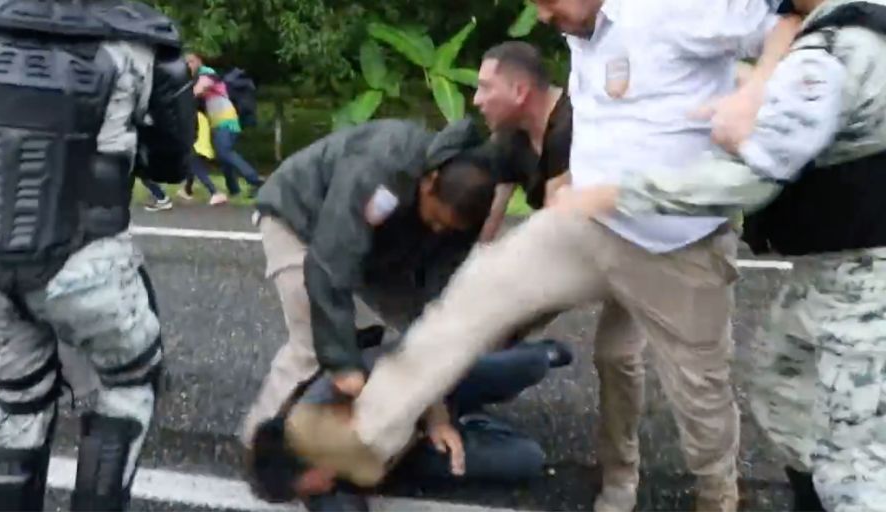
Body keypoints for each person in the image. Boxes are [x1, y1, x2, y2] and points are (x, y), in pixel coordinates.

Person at [274, 2, 802, 511]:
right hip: (586, 223)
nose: (544, 17)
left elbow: (793, 17)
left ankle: (718, 494)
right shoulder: (580, 32)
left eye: (547, 2)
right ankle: (364, 433)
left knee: (696, 394)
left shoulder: (677, 8)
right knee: (477, 289)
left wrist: (757, 87)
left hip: (675, 246)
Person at [553, 1, 886, 510]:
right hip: (826, 266)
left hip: (865, 275)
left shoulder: (836, 51)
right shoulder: (843, 31)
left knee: (855, 462)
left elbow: (747, 177)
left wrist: (614, 195)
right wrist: (759, 92)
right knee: (783, 392)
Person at [0, 0, 195, 510]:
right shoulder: (135, 45)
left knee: (20, 399)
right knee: (130, 382)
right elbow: (173, 161)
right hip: (86, 260)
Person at [237, 118, 497, 445]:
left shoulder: (467, 205)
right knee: (312, 345)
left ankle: (419, 416)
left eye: (447, 230)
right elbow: (329, 264)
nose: (438, 232)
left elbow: (434, 297)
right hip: (299, 218)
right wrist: (343, 364)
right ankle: (258, 445)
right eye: (435, 219)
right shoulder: (381, 164)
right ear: (429, 183)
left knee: (420, 324)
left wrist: (436, 409)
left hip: (378, 241)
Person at [249, 337, 573, 511]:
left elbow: (400, 359)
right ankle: (475, 423)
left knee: (527, 365)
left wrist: (438, 418)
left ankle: (536, 352)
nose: (316, 492)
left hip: (428, 386)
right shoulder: (326, 490)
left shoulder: (315, 406)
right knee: (528, 460)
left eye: (306, 488)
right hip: (416, 448)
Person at [473, 41, 573, 242]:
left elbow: (555, 230)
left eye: (485, 88)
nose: (476, 100)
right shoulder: (510, 135)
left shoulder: (573, 126)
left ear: (520, 91)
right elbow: (489, 220)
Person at [189, 54, 265, 198]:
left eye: (191, 61)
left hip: (227, 120)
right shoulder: (197, 77)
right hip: (218, 122)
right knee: (223, 155)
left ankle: (256, 180)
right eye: (187, 63)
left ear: (199, 61)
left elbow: (197, 91)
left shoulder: (207, 73)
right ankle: (234, 190)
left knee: (224, 152)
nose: (189, 65)